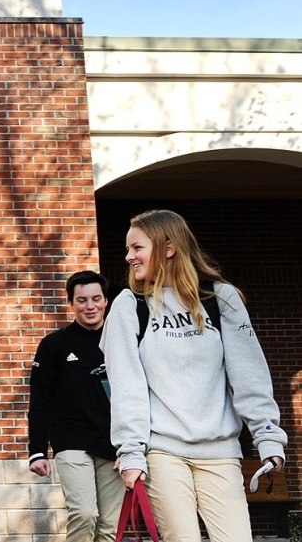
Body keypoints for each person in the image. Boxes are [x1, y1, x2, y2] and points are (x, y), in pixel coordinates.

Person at [102, 209, 287, 542]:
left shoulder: (220, 299)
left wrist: (268, 435)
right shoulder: (130, 305)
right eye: (128, 249)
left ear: (169, 247)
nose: (129, 256)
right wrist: (131, 451)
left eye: (137, 248)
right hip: (163, 451)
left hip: (221, 451)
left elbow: (249, 375)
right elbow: (126, 385)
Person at [27, 270, 120, 542]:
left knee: (109, 526)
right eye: (81, 300)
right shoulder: (55, 345)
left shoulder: (121, 341)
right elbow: (40, 401)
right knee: (85, 513)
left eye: (96, 299)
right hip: (71, 441)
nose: (90, 306)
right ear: (71, 304)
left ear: (105, 301)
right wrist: (37, 450)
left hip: (113, 444)